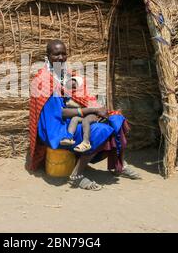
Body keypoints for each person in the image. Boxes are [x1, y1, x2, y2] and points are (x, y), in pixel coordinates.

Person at [28, 39, 141, 191]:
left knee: (115, 119)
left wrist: (97, 108)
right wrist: (90, 111)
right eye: (56, 54)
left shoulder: (65, 75)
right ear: (48, 56)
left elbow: (82, 94)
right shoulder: (43, 81)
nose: (61, 58)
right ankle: (76, 175)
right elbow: (59, 113)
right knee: (101, 130)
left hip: (70, 122)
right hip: (55, 129)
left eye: (63, 54)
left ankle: (118, 164)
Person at [60, 77, 100, 153]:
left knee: (86, 121)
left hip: (94, 114)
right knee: (74, 119)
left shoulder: (85, 93)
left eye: (74, 86)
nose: (72, 88)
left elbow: (91, 105)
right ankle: (69, 138)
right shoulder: (72, 95)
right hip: (84, 114)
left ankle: (86, 143)